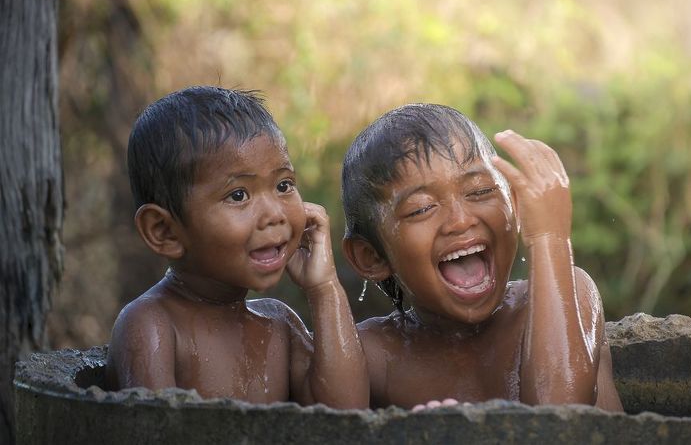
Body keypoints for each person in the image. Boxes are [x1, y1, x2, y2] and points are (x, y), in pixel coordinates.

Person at [341, 103, 623, 411]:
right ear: (371, 257)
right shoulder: (376, 355)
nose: (461, 221)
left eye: (479, 191)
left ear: (516, 205)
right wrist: (324, 289)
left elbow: (560, 415)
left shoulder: (571, 298)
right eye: (421, 208)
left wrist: (550, 238)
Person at [106, 86, 368, 408]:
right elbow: (153, 429)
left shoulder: (278, 324)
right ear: (165, 232)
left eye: (283, 185)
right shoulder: (152, 325)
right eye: (239, 195)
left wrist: (325, 288)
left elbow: (346, 414)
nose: (274, 214)